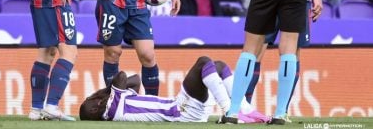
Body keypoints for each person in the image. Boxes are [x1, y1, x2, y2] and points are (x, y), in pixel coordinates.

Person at [79, 56, 269, 123]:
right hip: (180, 111)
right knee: (204, 62)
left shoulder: (119, 104)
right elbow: (121, 76)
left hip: (181, 109)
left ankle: (243, 107)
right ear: (95, 108)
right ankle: (229, 111)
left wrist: (110, 92)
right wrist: (103, 92)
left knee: (217, 65)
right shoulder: (111, 110)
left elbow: (136, 81)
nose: (93, 99)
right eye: (91, 102)